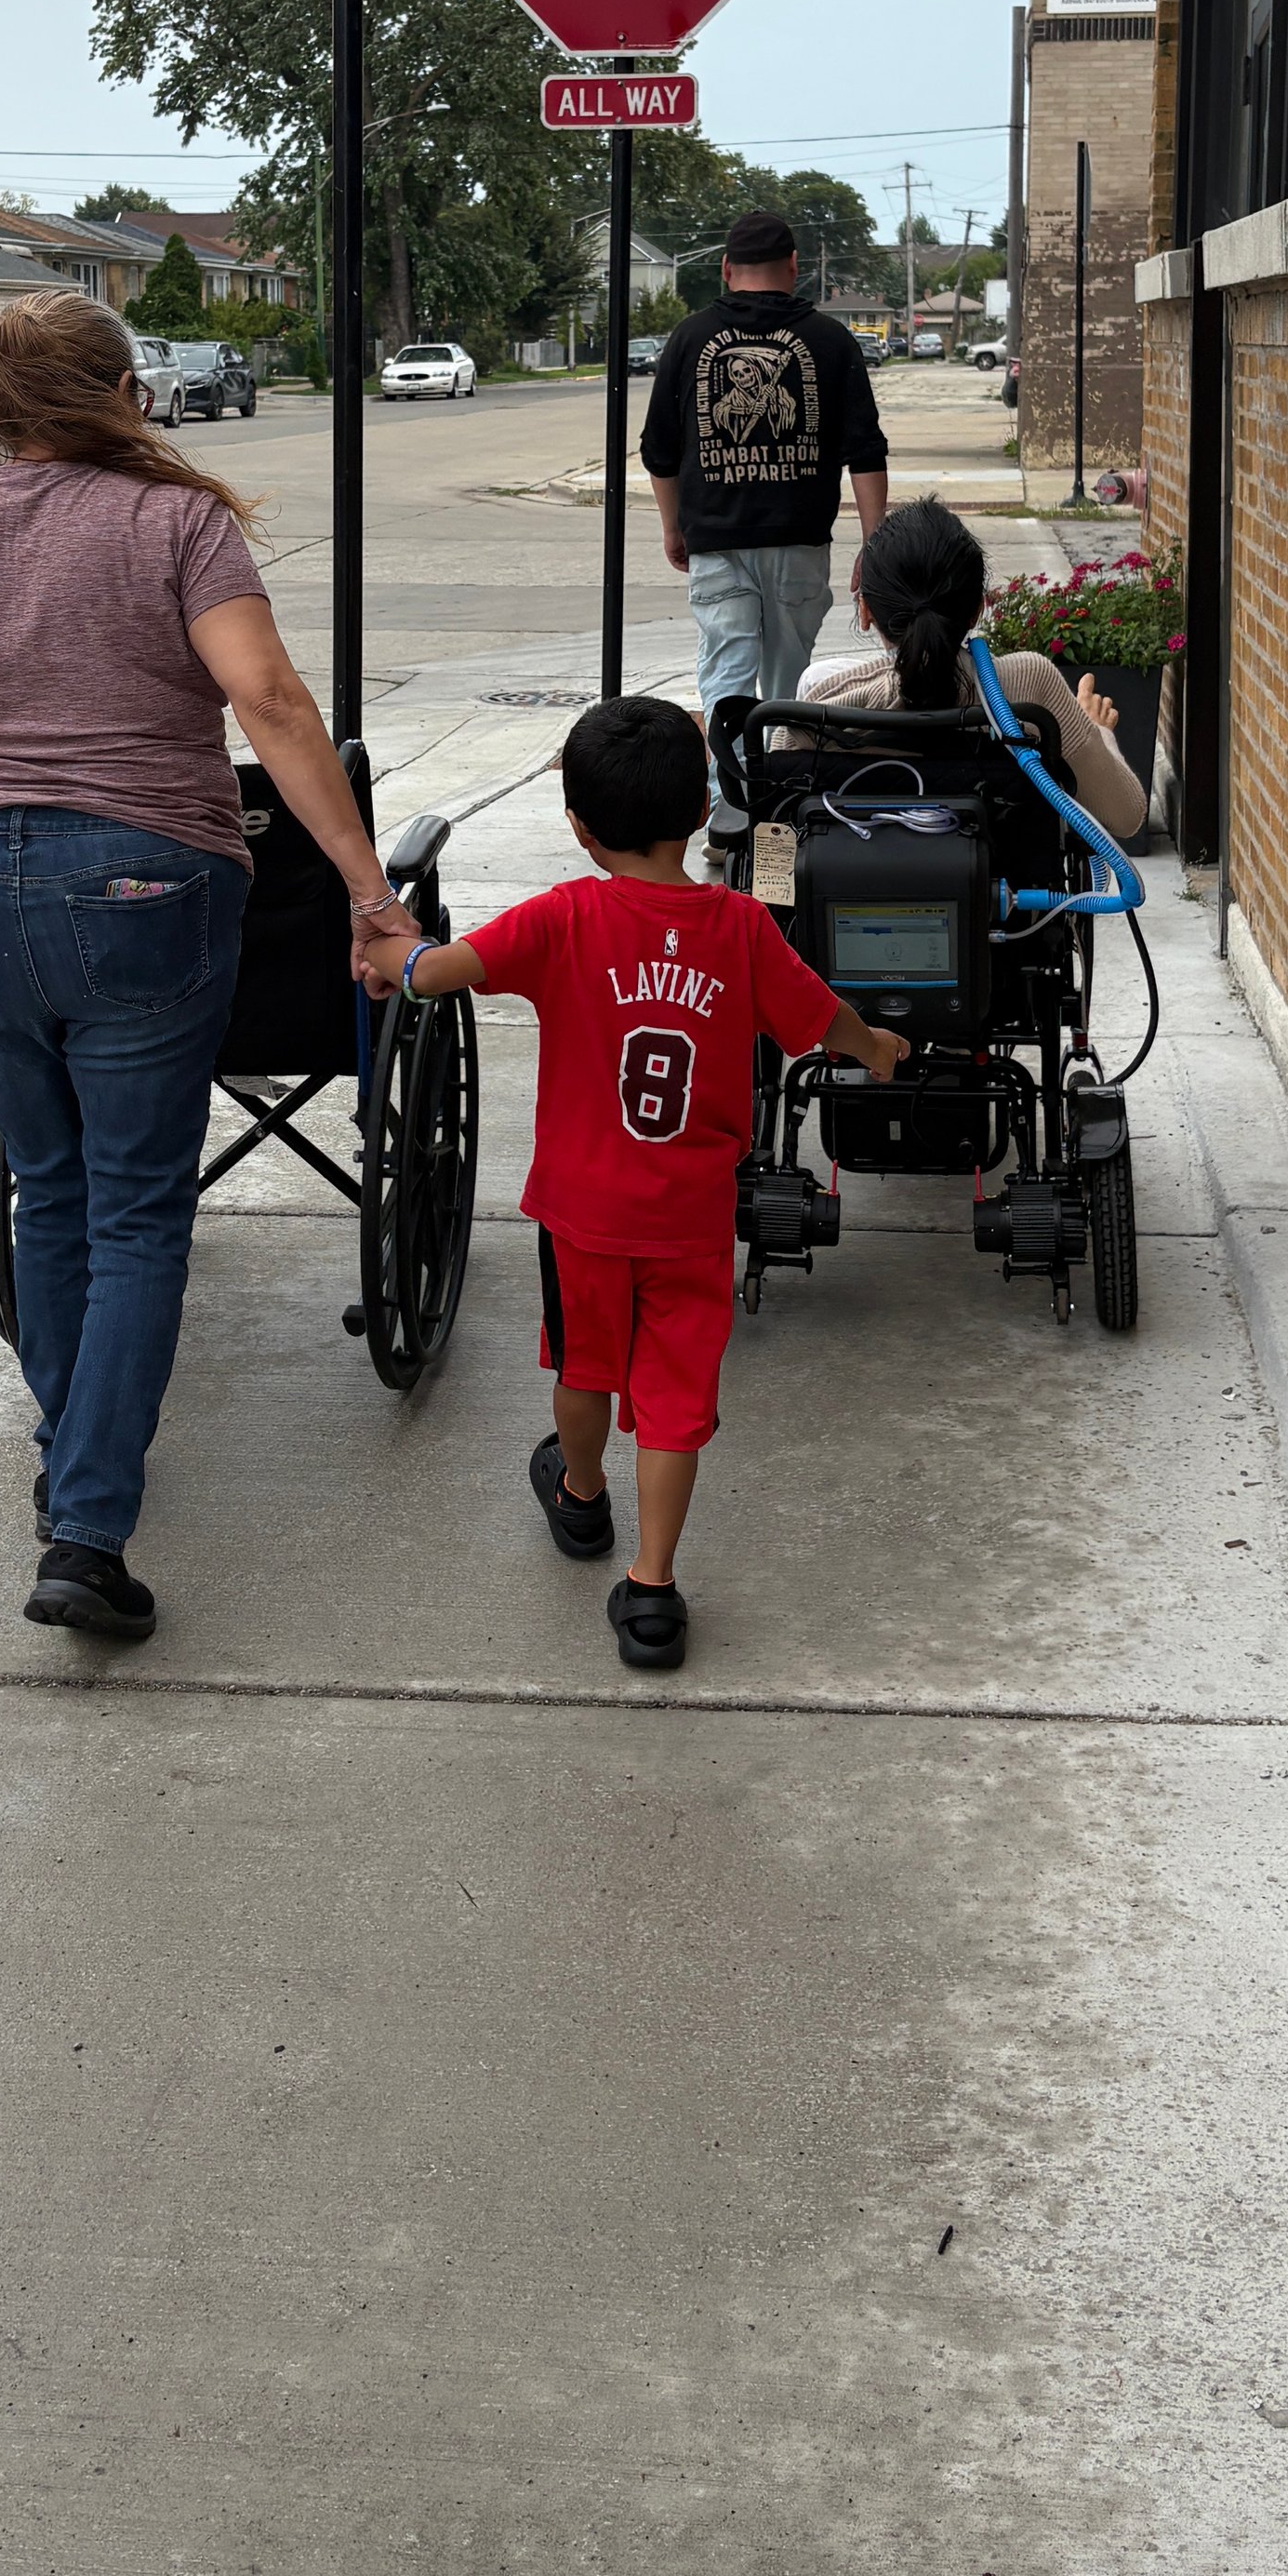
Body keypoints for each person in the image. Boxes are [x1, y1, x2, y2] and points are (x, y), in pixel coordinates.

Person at [0, 289, 419, 1643]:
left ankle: (73, 1461)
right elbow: (272, 703)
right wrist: (367, 888)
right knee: (134, 1211)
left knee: (47, 1187)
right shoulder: (180, 523)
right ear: (128, 392)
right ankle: (87, 1529)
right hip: (137, 887)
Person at [361, 694, 906, 1673]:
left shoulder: (563, 917)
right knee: (672, 1398)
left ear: (577, 826)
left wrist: (394, 962)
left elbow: (443, 970)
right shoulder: (740, 928)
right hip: (691, 1221)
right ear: (702, 812)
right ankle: (653, 1591)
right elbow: (820, 1020)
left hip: (582, 1214)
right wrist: (877, 1049)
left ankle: (578, 1495)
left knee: (583, 1367)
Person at [641, 207, 889, 821]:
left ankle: (729, 816)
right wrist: (874, 546)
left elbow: (659, 450)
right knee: (788, 683)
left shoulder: (690, 337)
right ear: (794, 268)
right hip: (800, 540)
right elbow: (866, 451)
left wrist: (673, 527)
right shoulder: (831, 341)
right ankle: (781, 810)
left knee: (725, 674)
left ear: (726, 270)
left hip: (717, 539)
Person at [801, 499, 1154, 840]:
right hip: (1007, 898)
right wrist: (1095, 730)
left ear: (865, 612)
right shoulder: (1029, 684)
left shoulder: (823, 699)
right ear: (977, 609)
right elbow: (1124, 815)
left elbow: (779, 816)